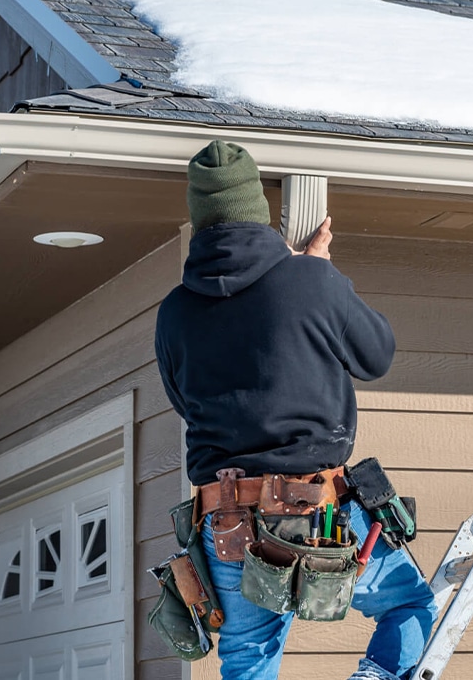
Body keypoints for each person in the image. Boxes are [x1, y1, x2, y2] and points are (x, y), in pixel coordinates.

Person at [155, 140, 437, 680]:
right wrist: (321, 279)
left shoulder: (175, 313)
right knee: (407, 607)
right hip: (318, 509)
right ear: (258, 217)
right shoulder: (309, 280)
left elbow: (183, 402)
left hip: (227, 518)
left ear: (200, 225)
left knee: (247, 660)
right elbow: (376, 356)